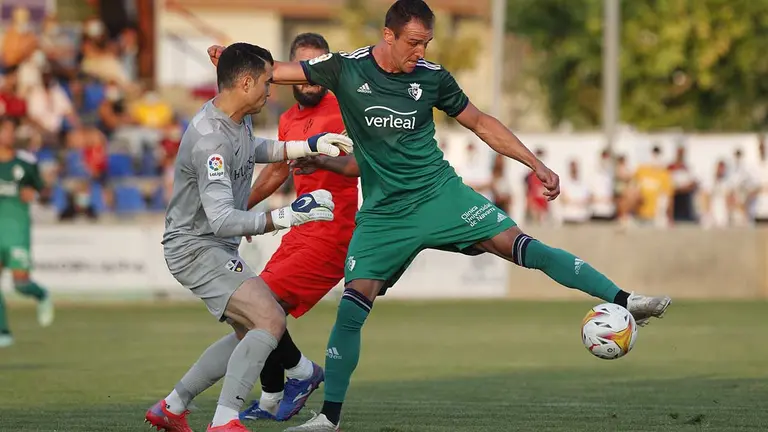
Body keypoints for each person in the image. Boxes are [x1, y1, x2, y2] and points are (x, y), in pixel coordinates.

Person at [208, 2, 672, 430]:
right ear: (388, 35)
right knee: (351, 310)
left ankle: (624, 298)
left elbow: (482, 122)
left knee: (522, 247)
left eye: (426, 42)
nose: (420, 50)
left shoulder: (432, 77)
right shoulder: (345, 68)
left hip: (439, 195)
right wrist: (232, 58)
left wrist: (536, 164)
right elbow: (278, 71)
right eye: (413, 42)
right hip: (385, 213)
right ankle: (329, 419)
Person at [143, 42, 354, 432]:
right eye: (266, 83)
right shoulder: (211, 141)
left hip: (209, 245)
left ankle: (172, 407)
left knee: (250, 329)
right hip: (196, 248)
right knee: (270, 318)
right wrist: (288, 216)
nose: (271, 91)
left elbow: (253, 149)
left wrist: (306, 145)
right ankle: (225, 421)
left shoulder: (234, 118)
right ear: (244, 82)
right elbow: (222, 220)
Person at [238, 33, 358, 423]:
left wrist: (321, 161)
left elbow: (363, 165)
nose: (310, 78)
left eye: (317, 68)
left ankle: (301, 376)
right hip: (300, 228)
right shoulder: (289, 119)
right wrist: (241, 212)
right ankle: (272, 395)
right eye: (302, 69)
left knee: (262, 304)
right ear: (288, 74)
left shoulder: (345, 108)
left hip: (332, 230)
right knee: (251, 312)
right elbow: (276, 171)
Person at [0, 116, 54, 348]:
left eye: (13, 131)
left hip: (17, 230)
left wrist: (35, 194)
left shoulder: (25, 163)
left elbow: (44, 191)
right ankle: (3, 332)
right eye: (6, 130)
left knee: (20, 284)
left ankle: (41, 294)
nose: (10, 135)